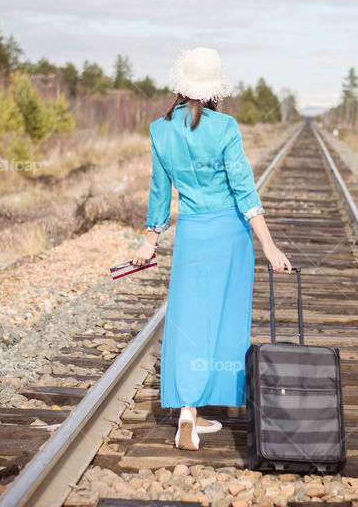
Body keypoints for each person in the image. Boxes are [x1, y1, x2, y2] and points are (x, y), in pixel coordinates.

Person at [130, 47, 291, 451]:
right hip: (230, 238)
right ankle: (205, 401)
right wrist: (269, 246)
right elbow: (244, 191)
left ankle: (188, 412)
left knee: (188, 321)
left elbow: (159, 192)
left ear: (181, 87)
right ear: (215, 89)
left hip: (192, 236)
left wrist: (150, 241)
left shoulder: (160, 130)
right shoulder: (225, 127)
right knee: (223, 322)